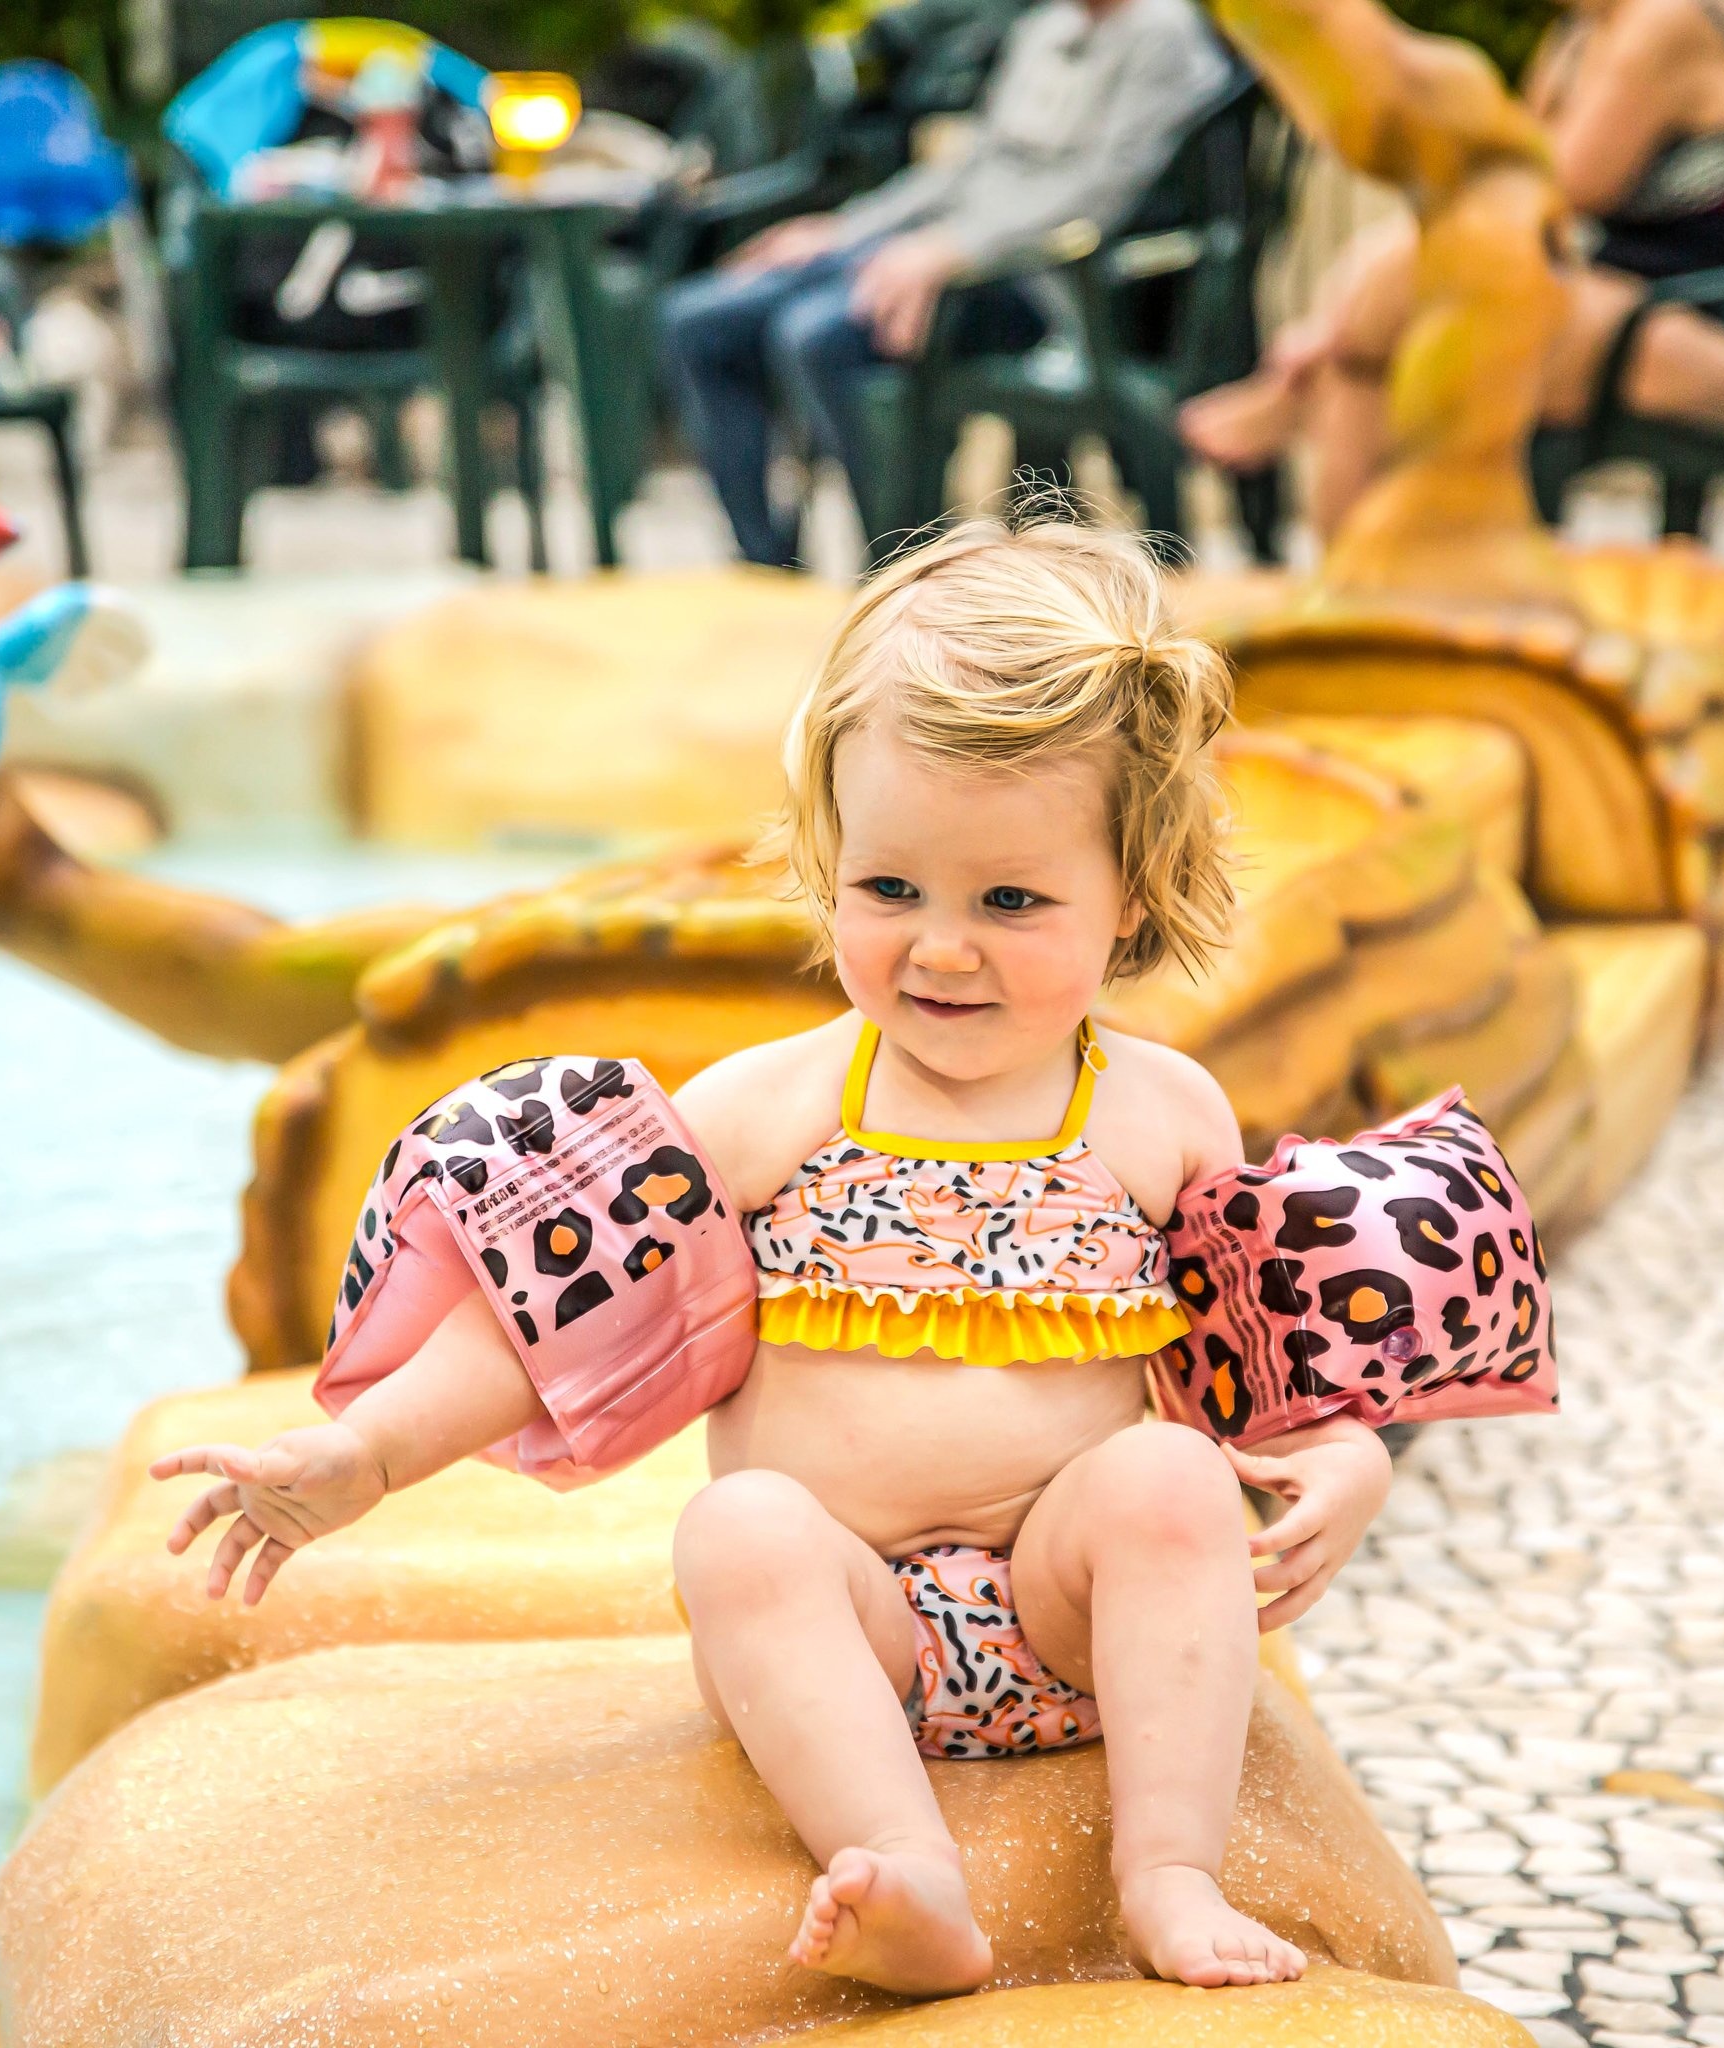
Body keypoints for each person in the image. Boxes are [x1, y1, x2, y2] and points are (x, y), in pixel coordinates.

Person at [149, 518, 1396, 1996]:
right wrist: (367, 1455)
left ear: (1133, 894)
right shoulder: (770, 1109)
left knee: (1168, 1480)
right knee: (738, 1534)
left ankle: (1167, 1871)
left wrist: (1344, 1454)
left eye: (1011, 901)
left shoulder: (1161, 1112)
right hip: (846, 1632)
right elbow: (551, 1314)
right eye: (890, 892)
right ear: (828, 863)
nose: (941, 949)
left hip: (1069, 1618)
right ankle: (908, 1870)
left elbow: (1257, 1342)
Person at [1181, 0, 1724, 539]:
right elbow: (1504, 175)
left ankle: (1301, 375)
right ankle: (1358, 613)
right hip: (1645, 303)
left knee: (1416, 312)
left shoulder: (1665, 23)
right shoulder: (1583, 36)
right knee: (1369, 359)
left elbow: (1549, 187)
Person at [660, 0, 1235, 566]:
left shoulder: (1164, 33)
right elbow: (969, 165)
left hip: (1042, 278)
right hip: (939, 247)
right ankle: (764, 558)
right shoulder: (1047, 27)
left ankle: (906, 566)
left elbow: (1104, 189)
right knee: (699, 318)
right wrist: (843, 229)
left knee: (813, 334)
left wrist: (951, 252)